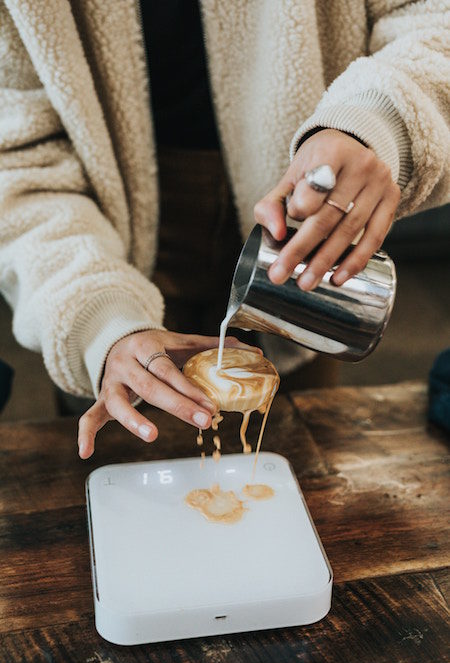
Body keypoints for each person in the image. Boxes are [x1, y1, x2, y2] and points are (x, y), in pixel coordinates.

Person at [0, 1, 448, 459]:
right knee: (122, 448)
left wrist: (376, 119)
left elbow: (431, 18)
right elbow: (17, 157)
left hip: (300, 211)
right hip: (96, 225)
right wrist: (98, 321)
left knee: (301, 452)